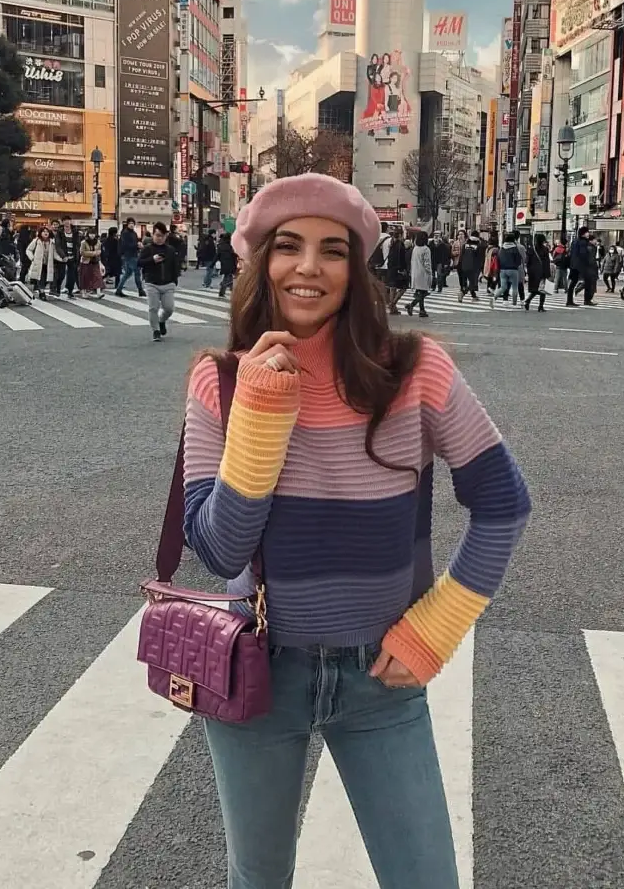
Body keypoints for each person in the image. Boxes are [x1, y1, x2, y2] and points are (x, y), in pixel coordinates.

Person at [182, 172, 531, 889]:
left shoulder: (412, 370)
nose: (308, 267)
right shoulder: (219, 381)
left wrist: (437, 626)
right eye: (288, 246)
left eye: (332, 250)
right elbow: (219, 548)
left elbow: (503, 501)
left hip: (381, 674)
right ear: (259, 263)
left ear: (357, 268)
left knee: (424, 877)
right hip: (258, 669)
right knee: (258, 878)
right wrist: (259, 410)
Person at [138, 221, 179, 341]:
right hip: (152, 283)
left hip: (168, 284)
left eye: (162, 236)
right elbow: (139, 263)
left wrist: (174, 279)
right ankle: (155, 330)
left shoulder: (170, 250)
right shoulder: (147, 249)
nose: (159, 238)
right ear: (153, 235)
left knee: (169, 308)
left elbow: (174, 265)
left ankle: (162, 321)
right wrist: (152, 260)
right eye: (157, 235)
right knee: (153, 308)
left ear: (165, 236)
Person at [114, 218, 145, 297]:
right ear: (127, 224)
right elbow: (125, 245)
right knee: (137, 272)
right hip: (128, 255)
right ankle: (140, 290)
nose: (131, 225)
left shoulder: (134, 233)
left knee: (128, 273)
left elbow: (135, 243)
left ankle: (119, 289)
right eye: (130, 223)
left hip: (133, 254)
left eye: (133, 223)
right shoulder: (125, 233)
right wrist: (136, 245)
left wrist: (138, 245)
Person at [405, 229, 432, 318]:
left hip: (415, 272)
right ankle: (411, 305)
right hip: (423, 273)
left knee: (420, 292)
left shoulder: (415, 248)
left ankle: (422, 310)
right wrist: (430, 273)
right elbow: (427, 263)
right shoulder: (426, 249)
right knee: (423, 292)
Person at [26, 227, 56, 301]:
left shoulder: (52, 242)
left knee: (47, 279)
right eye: (43, 231)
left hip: (49, 263)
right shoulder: (36, 240)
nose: (46, 233)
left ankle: (40, 290)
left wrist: (62, 259)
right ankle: (42, 293)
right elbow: (29, 249)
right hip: (39, 263)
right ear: (40, 233)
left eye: (47, 231)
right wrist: (32, 258)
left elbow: (55, 253)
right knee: (41, 278)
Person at [524, 233, 551, 312]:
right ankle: (540, 306)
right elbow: (547, 262)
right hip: (542, 271)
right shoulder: (545, 249)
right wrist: (548, 273)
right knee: (542, 289)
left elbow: (527, 261)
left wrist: (528, 271)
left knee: (535, 289)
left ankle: (528, 301)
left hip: (533, 272)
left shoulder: (531, 249)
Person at [492, 232, 520, 307]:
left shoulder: (501, 248)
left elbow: (498, 259)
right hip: (513, 269)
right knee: (514, 287)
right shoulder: (515, 248)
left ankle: (494, 297)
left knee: (503, 287)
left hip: (503, 270)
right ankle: (514, 303)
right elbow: (518, 260)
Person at [215, 230, 238, 298]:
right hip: (230, 264)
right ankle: (223, 291)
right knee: (228, 278)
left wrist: (213, 263)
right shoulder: (230, 246)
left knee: (228, 277)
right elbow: (233, 254)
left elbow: (217, 256)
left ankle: (230, 291)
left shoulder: (220, 245)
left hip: (224, 264)